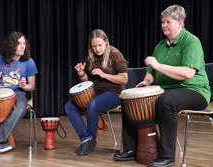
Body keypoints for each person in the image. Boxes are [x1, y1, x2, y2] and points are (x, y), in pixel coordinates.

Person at [113, 4, 211, 167]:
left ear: (180, 23)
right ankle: (130, 148)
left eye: (168, 22)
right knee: (127, 99)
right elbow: (151, 72)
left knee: (166, 101)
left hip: (195, 91)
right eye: (162, 22)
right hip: (167, 91)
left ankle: (167, 156)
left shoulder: (191, 41)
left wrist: (158, 65)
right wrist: (147, 80)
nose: (164, 25)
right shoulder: (160, 46)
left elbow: (187, 74)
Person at [65, 29, 128, 156]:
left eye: (100, 45)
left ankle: (90, 139)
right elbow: (88, 81)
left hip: (114, 93)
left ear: (106, 42)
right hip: (96, 92)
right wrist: (81, 72)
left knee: (93, 105)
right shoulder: (91, 58)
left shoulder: (115, 55)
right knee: (69, 106)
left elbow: (124, 78)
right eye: (94, 46)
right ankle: (87, 139)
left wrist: (104, 75)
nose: (97, 49)